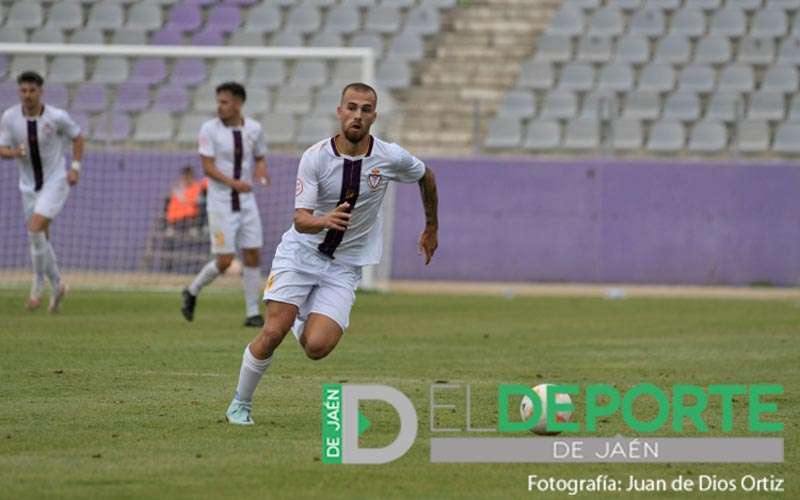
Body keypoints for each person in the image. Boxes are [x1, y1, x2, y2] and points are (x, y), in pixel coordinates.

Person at [225, 82, 439, 425]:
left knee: (317, 348)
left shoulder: (389, 156)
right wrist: (324, 220)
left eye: (365, 109)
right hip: (300, 255)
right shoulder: (315, 158)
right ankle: (240, 403)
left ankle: (301, 317)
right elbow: (299, 220)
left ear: (374, 116)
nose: (357, 115)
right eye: (351, 107)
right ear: (339, 112)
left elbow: (426, 176)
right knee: (272, 332)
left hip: (344, 266)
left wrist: (431, 227)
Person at [181, 82, 270, 327]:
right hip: (220, 204)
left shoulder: (254, 128)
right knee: (225, 260)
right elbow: (207, 167)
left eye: (224, 102)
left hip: (247, 202)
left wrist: (261, 172)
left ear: (238, 104)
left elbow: (260, 156)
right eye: (218, 101)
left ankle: (252, 312)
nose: (219, 106)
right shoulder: (209, 129)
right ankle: (192, 290)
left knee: (253, 253)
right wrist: (234, 183)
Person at [0, 71, 84, 313]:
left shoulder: (57, 117)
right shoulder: (10, 117)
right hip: (27, 186)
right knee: (41, 238)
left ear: (41, 92)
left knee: (34, 228)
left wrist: (75, 168)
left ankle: (37, 286)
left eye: (32, 91)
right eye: (23, 91)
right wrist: (15, 153)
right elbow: (2, 148)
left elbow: (78, 138)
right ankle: (58, 285)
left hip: (55, 181)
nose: (27, 95)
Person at [165, 165, 208, 235]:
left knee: (195, 209)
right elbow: (177, 198)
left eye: (189, 176)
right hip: (176, 216)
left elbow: (197, 199)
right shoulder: (178, 187)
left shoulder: (197, 186)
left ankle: (194, 228)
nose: (187, 178)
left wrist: (189, 201)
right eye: (185, 176)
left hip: (191, 216)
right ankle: (171, 228)